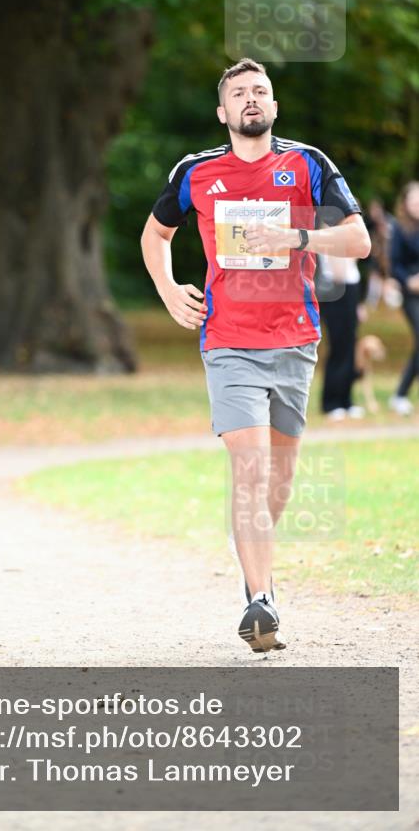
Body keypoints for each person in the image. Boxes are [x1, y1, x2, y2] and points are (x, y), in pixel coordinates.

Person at [141, 59, 370, 653]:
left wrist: (298, 236)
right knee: (249, 470)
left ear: (274, 107)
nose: (251, 100)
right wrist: (169, 292)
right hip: (228, 342)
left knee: (279, 480)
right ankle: (261, 604)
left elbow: (359, 240)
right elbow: (155, 234)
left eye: (260, 91)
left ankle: (256, 575)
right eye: (239, 93)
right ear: (223, 112)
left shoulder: (308, 164)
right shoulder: (196, 173)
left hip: (295, 339)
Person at [318, 253, 365, 420]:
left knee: (350, 346)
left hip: (350, 289)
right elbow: (339, 272)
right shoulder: (331, 232)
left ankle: (346, 400)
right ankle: (331, 402)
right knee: (339, 347)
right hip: (337, 291)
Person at [389, 181, 419, 415]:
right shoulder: (399, 228)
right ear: (406, 203)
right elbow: (394, 264)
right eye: (413, 200)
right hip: (411, 294)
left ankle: (401, 394)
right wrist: (408, 280)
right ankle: (400, 394)